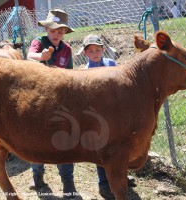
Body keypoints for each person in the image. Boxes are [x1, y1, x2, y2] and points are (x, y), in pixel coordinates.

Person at [26, 9, 76, 198]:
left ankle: (68, 183)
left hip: (60, 101)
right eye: (53, 30)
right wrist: (42, 58)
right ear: (47, 28)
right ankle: (37, 177)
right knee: (37, 138)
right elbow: (30, 55)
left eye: (60, 31)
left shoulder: (67, 49)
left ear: (64, 33)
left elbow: (70, 74)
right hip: (38, 99)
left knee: (64, 140)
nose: (56, 34)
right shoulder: (39, 42)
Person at [82, 34, 136, 199]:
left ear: (103, 50)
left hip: (116, 116)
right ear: (85, 54)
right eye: (90, 51)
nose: (95, 53)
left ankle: (121, 176)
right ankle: (103, 183)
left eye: (98, 50)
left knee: (120, 148)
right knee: (102, 151)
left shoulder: (111, 64)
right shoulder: (84, 72)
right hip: (99, 120)